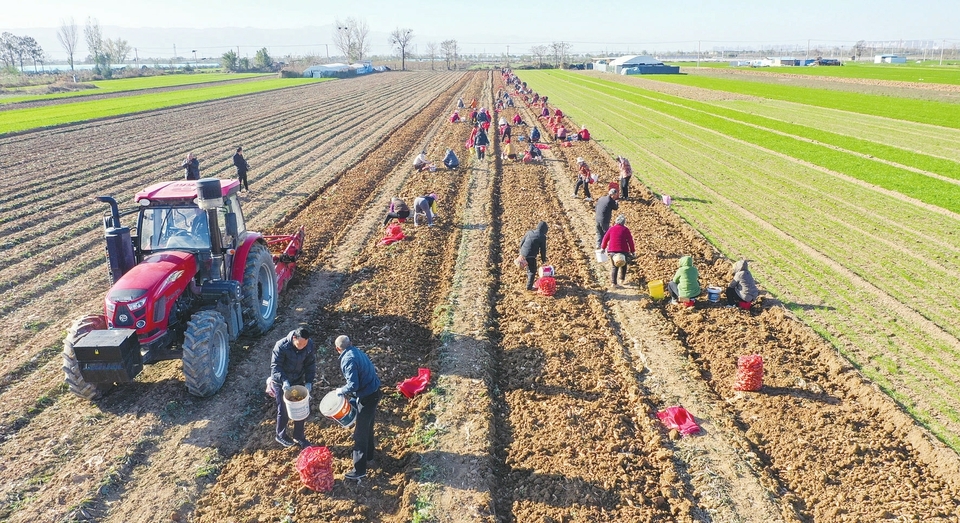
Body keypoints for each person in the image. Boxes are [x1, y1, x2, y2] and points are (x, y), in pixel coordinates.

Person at [333, 335, 382, 482]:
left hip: (367, 397)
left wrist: (341, 390)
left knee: (360, 434)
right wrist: (355, 397)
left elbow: (353, 385)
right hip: (374, 392)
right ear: (351, 343)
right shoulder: (357, 352)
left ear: (337, 349)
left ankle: (359, 470)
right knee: (368, 426)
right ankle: (369, 456)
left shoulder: (347, 360)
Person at [269, 327, 316, 449]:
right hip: (281, 382)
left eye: (305, 343)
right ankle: (280, 435)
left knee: (300, 408)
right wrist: (284, 381)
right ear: (294, 338)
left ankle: (299, 436)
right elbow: (275, 367)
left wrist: (309, 381)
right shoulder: (281, 346)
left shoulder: (308, 345)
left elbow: (310, 364)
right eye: (300, 344)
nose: (303, 346)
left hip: (297, 379)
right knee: (283, 409)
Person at [601, 214, 635, 288]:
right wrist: (632, 251)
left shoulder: (611, 229)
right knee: (624, 265)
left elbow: (605, 239)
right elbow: (630, 241)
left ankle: (613, 283)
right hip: (623, 251)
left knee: (614, 266)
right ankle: (622, 279)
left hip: (612, 251)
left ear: (616, 222)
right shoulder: (625, 230)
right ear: (623, 222)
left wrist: (603, 248)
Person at [518, 221, 548, 291]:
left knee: (529, 268)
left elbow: (521, 243)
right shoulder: (542, 236)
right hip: (530, 255)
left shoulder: (529, 232)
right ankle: (529, 287)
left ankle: (525, 269)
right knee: (532, 271)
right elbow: (543, 250)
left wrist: (522, 253)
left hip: (523, 253)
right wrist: (543, 260)